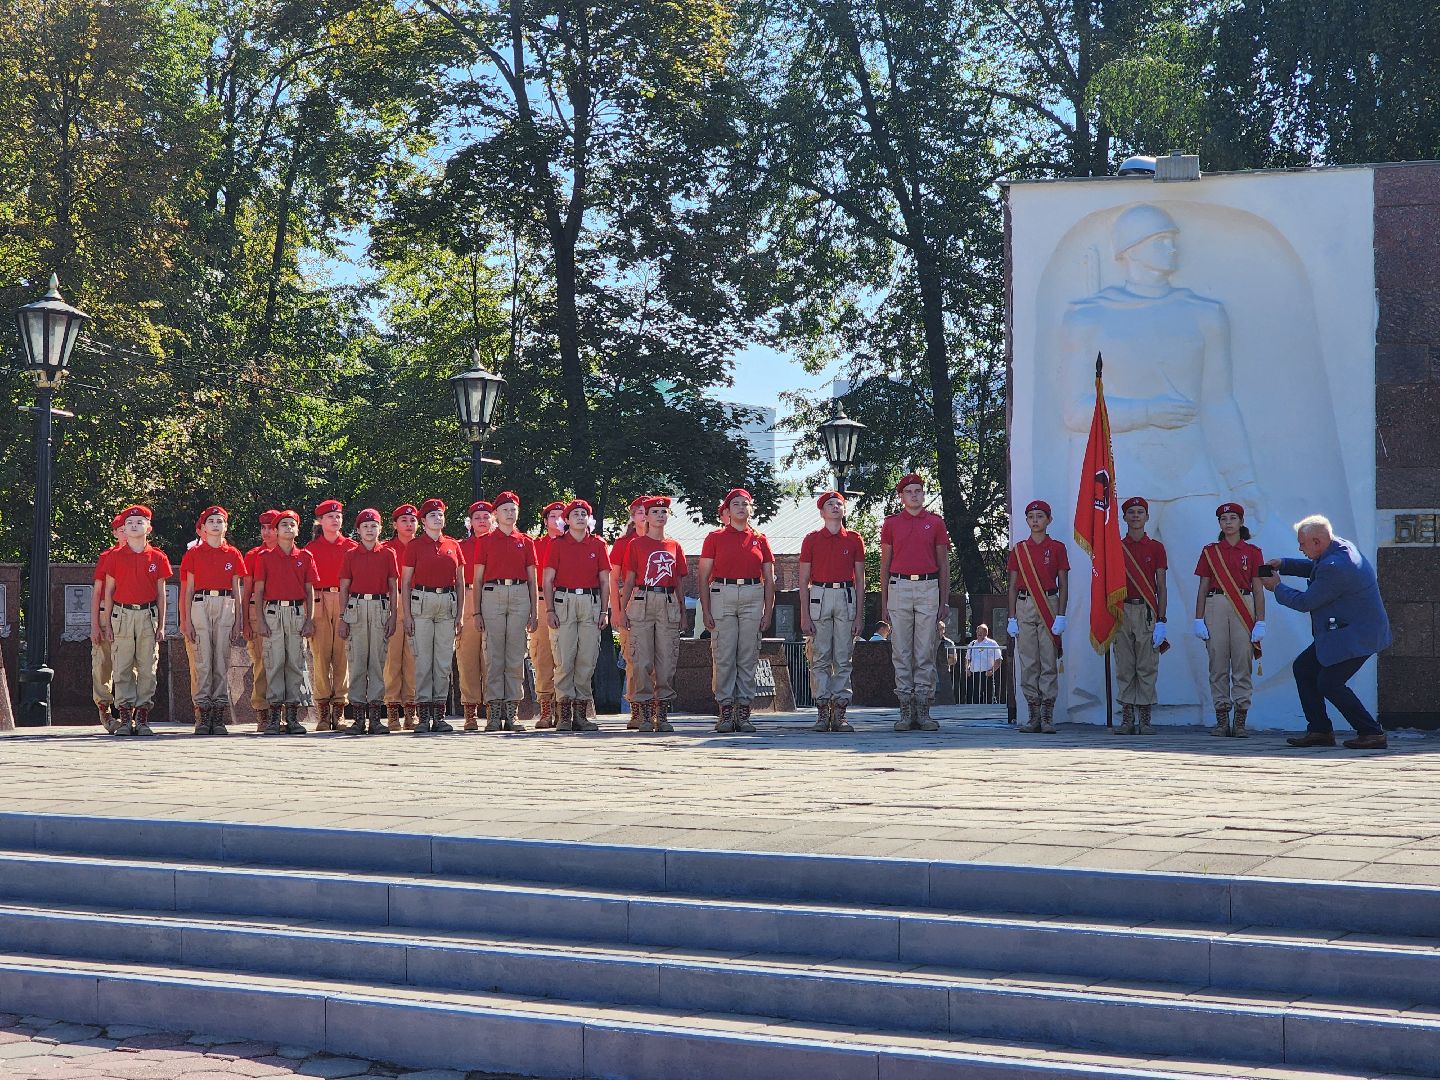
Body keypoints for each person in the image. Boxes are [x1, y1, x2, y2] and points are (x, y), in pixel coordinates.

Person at [1265, 516, 1392, 750]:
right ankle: (1320, 730)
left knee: (1330, 683)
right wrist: (1284, 564)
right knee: (1304, 668)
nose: (1300, 548)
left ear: (1317, 541)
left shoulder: (1336, 567)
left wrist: (1277, 587)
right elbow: (1317, 568)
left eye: (1302, 544)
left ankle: (1371, 732)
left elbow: (1305, 602)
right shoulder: (1338, 547)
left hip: (1357, 636)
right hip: (1347, 631)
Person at [698, 488, 776, 733]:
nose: (741, 508)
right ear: (727, 511)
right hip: (723, 593)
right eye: (736, 504)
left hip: (753, 594)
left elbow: (769, 579)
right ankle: (725, 709)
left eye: (745, 504)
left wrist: (768, 611)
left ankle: (743, 710)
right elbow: (703, 577)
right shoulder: (715, 537)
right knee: (724, 654)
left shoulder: (760, 539)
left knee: (748, 655)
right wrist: (706, 610)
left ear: (751, 509)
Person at [881, 474, 952, 732]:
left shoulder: (935, 522)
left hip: (928, 586)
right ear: (901, 496)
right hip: (899, 586)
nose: (914, 495)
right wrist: (884, 603)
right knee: (901, 650)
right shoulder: (891, 524)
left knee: (925, 650)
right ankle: (905, 709)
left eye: (918, 490)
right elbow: (885, 565)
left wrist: (944, 600)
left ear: (923, 494)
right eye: (909, 491)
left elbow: (943, 564)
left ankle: (923, 708)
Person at [99, 506, 171, 736]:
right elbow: (109, 592)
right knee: (122, 667)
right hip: (122, 615)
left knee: (148, 667)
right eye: (129, 523)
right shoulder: (114, 556)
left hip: (147, 615)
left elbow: (161, 594)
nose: (134, 526)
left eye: (139, 522)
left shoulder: (158, 557)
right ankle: (125, 717)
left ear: (148, 528)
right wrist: (107, 624)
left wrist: (162, 625)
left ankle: (142, 719)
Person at [1194, 502, 1265, 737]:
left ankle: (1240, 721)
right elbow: (1203, 586)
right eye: (1224, 519)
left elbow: (1258, 588)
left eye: (1233, 518)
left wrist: (1261, 620)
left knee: (1243, 662)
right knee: (1217, 663)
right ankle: (1222, 720)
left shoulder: (1254, 552)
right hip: (1216, 604)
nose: (1228, 522)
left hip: (1244, 604)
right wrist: (1198, 618)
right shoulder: (1210, 551)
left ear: (1241, 522)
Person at [798, 491, 866, 732]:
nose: (835, 507)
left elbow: (860, 580)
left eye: (839, 503)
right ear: (822, 512)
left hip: (846, 594)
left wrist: (859, 615)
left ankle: (840, 711)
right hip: (820, 593)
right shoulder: (812, 539)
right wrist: (804, 614)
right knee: (820, 655)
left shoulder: (854, 539)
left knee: (844, 656)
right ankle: (822, 709)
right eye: (830, 504)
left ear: (844, 510)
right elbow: (803, 579)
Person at [621, 495, 688, 732]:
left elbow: (679, 581)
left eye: (664, 512)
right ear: (646, 517)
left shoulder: (674, 545)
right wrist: (622, 610)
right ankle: (645, 712)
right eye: (655, 512)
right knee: (641, 660)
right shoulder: (636, 545)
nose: (660, 515)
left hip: (668, 601)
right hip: (642, 599)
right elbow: (629, 580)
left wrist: (683, 611)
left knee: (667, 660)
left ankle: (663, 713)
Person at [473, 490, 539, 732]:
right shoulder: (485, 541)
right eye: (505, 510)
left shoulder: (526, 541)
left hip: (520, 595)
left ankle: (512, 712)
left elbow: (533, 579)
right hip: (493, 594)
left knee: (515, 655)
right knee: (494, 655)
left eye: (513, 510)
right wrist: (476, 612)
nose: (510, 514)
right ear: (496, 514)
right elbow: (477, 579)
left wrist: (535, 612)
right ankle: (493, 713)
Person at [178, 506, 247, 735]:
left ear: (226, 526)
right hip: (200, 603)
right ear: (203, 528)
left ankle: (218, 714)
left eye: (220, 521)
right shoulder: (194, 554)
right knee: (203, 659)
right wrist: (186, 620)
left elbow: (237, 589)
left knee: (221, 659)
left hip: (226, 604)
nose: (216, 525)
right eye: (211, 521)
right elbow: (188, 590)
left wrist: (239, 620)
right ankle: (203, 713)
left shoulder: (233, 554)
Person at [544, 498, 610, 732]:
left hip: (591, 602)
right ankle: (563, 714)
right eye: (575, 514)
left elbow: (605, 581)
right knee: (564, 658)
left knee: (587, 659)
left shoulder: (598, 544)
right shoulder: (557, 544)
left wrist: (604, 610)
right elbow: (548, 580)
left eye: (584, 514)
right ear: (567, 520)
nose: (580, 517)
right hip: (564, 601)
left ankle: (581, 715)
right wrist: (549, 609)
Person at [400, 499, 464, 735]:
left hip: (447, 603)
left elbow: (460, 582)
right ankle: (423, 715)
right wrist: (407, 615)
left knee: (443, 662)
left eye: (440, 515)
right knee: (423, 661)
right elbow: (406, 582)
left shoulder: (453, 545)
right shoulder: (415, 546)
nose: (437, 518)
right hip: (422, 603)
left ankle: (439, 715)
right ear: (424, 521)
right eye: (432, 515)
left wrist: (460, 614)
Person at [251, 510, 318, 735]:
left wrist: (309, 619)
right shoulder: (265, 557)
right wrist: (260, 620)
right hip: (273, 612)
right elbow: (259, 591)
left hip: (297, 613)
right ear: (276, 531)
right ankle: (273, 718)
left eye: (292, 524)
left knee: (295, 663)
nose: (288, 528)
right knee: (274, 663)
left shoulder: (305, 557)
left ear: (297, 530)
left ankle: (292, 717)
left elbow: (309, 591)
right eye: (283, 525)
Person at [1007, 500, 1069, 734]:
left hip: (1049, 603)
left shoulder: (1057, 548)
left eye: (1040, 516)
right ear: (1026, 520)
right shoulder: (1019, 549)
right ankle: (1033, 714)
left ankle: (1047, 715)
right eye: (1031, 517)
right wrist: (1011, 617)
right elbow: (1012, 585)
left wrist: (1061, 615)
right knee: (1029, 661)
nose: (1035, 520)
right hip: (1024, 603)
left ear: (1049, 520)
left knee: (1048, 660)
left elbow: (1063, 584)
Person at [337, 508, 400, 735]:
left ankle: (375, 718)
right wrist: (343, 617)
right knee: (357, 662)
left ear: (380, 529)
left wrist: (394, 615)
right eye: (365, 526)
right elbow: (344, 587)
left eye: (374, 526)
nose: (370, 530)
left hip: (380, 607)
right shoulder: (350, 555)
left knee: (377, 662)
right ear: (358, 530)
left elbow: (393, 586)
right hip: (356, 608)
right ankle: (357, 719)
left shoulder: (388, 553)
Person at [1115, 496, 1168, 734]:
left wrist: (1161, 620)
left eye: (1140, 512)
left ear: (1147, 517)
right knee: (1125, 665)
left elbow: (1161, 586)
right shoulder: (1116, 547)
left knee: (1147, 665)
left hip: (1146, 610)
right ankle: (1127, 718)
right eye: (1131, 512)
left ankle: (1145, 718)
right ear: (1124, 517)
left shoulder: (1156, 547)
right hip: (1122, 609)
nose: (1135, 516)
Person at [304, 500, 358, 731]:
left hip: (345, 600)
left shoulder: (352, 547)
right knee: (320, 656)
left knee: (342, 657)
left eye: (338, 516)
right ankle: (323, 713)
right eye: (330, 517)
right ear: (320, 521)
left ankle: (340, 711)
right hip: (319, 600)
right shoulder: (310, 549)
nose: (335, 520)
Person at [609, 496, 649, 729]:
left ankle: (655, 708)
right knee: (633, 658)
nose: (645, 515)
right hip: (631, 599)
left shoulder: (663, 541)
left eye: (648, 511)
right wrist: (616, 610)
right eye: (640, 511)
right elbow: (614, 579)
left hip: (657, 601)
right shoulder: (623, 543)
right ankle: (636, 708)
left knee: (658, 658)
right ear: (633, 517)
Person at [528, 501, 567, 728]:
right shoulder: (536, 545)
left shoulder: (574, 543)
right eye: (553, 516)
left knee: (567, 657)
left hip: (568, 600)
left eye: (562, 516)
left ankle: (564, 708)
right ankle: (545, 708)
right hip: (543, 601)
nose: (558, 520)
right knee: (543, 655)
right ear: (545, 521)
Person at [382, 505, 420, 730]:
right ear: (394, 525)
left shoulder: (423, 546)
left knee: (413, 658)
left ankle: (411, 711)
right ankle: (392, 710)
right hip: (393, 600)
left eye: (412, 520)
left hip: (418, 601)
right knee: (392, 658)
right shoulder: (386, 548)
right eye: (404, 520)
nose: (409, 524)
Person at [456, 501, 494, 731]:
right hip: (468, 596)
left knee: (492, 657)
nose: (482, 521)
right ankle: (470, 712)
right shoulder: (460, 546)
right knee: (467, 656)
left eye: (486, 517)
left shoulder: (498, 544)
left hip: (493, 596)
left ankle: (492, 709)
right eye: (477, 517)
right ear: (470, 522)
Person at [242, 511, 280, 731]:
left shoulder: (292, 553)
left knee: (283, 662)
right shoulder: (253, 555)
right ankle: (262, 713)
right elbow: (246, 591)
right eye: (263, 528)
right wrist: (245, 622)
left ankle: (279, 713)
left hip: (284, 610)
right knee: (261, 663)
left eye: (271, 528)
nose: (266, 533)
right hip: (257, 611)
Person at [89, 513, 124, 732]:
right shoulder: (107, 557)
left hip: (131, 613)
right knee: (102, 663)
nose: (125, 533)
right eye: (121, 529)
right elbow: (97, 593)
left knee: (131, 665)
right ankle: (105, 710)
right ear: (114, 533)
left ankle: (129, 712)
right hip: (105, 614)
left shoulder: (146, 555)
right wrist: (94, 625)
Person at [963, 625, 1003, 705]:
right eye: (978, 631)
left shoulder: (992, 643)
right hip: (974, 674)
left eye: (982, 631)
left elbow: (999, 659)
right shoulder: (972, 643)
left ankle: (989, 712)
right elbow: (967, 658)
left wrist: (992, 671)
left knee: (988, 698)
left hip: (986, 674)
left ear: (986, 633)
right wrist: (967, 669)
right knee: (974, 698)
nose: (979, 633)